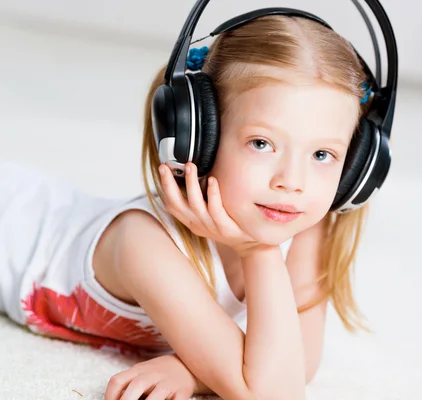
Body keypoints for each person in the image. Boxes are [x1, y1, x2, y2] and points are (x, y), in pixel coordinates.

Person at [0, 3, 396, 399]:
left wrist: (192, 371)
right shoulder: (144, 242)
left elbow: (294, 366)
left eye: (322, 155)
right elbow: (270, 393)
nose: (291, 182)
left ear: (356, 169)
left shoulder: (309, 225)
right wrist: (258, 251)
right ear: (197, 137)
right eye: (262, 143)